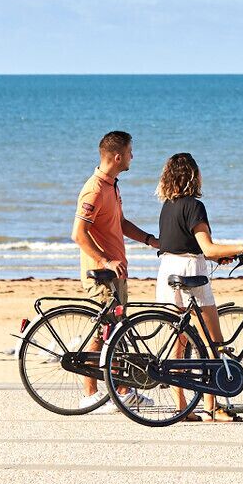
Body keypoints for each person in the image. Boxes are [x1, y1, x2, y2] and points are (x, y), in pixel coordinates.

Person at [153, 151, 243, 422]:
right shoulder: (194, 206)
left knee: (179, 343)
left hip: (166, 271)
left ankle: (182, 407)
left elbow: (181, 243)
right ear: (193, 175)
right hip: (192, 272)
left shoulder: (167, 206)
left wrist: (218, 254)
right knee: (212, 342)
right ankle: (211, 407)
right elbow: (207, 247)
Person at [73, 130, 158, 396]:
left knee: (117, 333)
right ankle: (90, 395)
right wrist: (105, 261)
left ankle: (122, 391)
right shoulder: (94, 190)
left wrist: (149, 239)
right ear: (118, 156)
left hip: (115, 272)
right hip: (101, 274)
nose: (134, 156)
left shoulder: (112, 185)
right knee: (103, 332)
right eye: (131, 152)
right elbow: (78, 234)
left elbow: (119, 223)